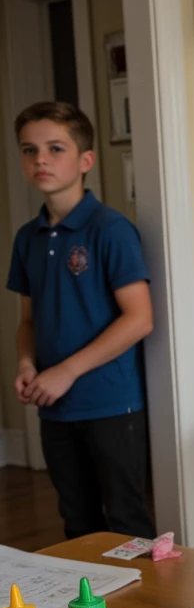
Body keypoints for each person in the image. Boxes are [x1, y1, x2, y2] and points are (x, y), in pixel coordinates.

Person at [7, 101, 156, 540]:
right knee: (77, 521)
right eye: (29, 150)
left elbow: (139, 319)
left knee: (127, 521)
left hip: (110, 402)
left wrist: (65, 372)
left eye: (55, 148)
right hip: (55, 407)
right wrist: (27, 365)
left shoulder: (109, 230)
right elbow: (28, 321)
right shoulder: (27, 238)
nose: (41, 160)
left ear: (85, 160)